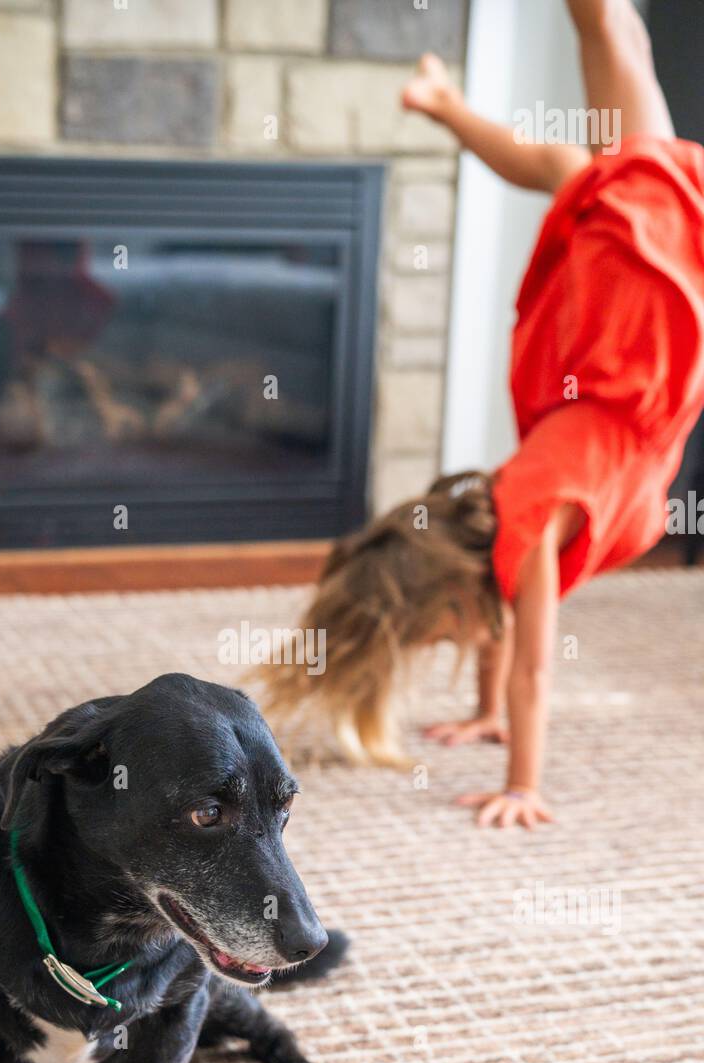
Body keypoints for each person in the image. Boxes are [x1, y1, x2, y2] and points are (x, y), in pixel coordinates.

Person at [264, 0, 704, 828]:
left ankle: (445, 100)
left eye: (438, 636)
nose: (456, 645)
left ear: (450, 597)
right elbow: (498, 634)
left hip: (637, 311)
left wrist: (522, 782)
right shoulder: (501, 530)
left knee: (613, 59)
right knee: (575, 163)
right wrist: (487, 715)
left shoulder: (527, 537)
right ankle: (438, 102)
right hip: (610, 351)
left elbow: (533, 666)